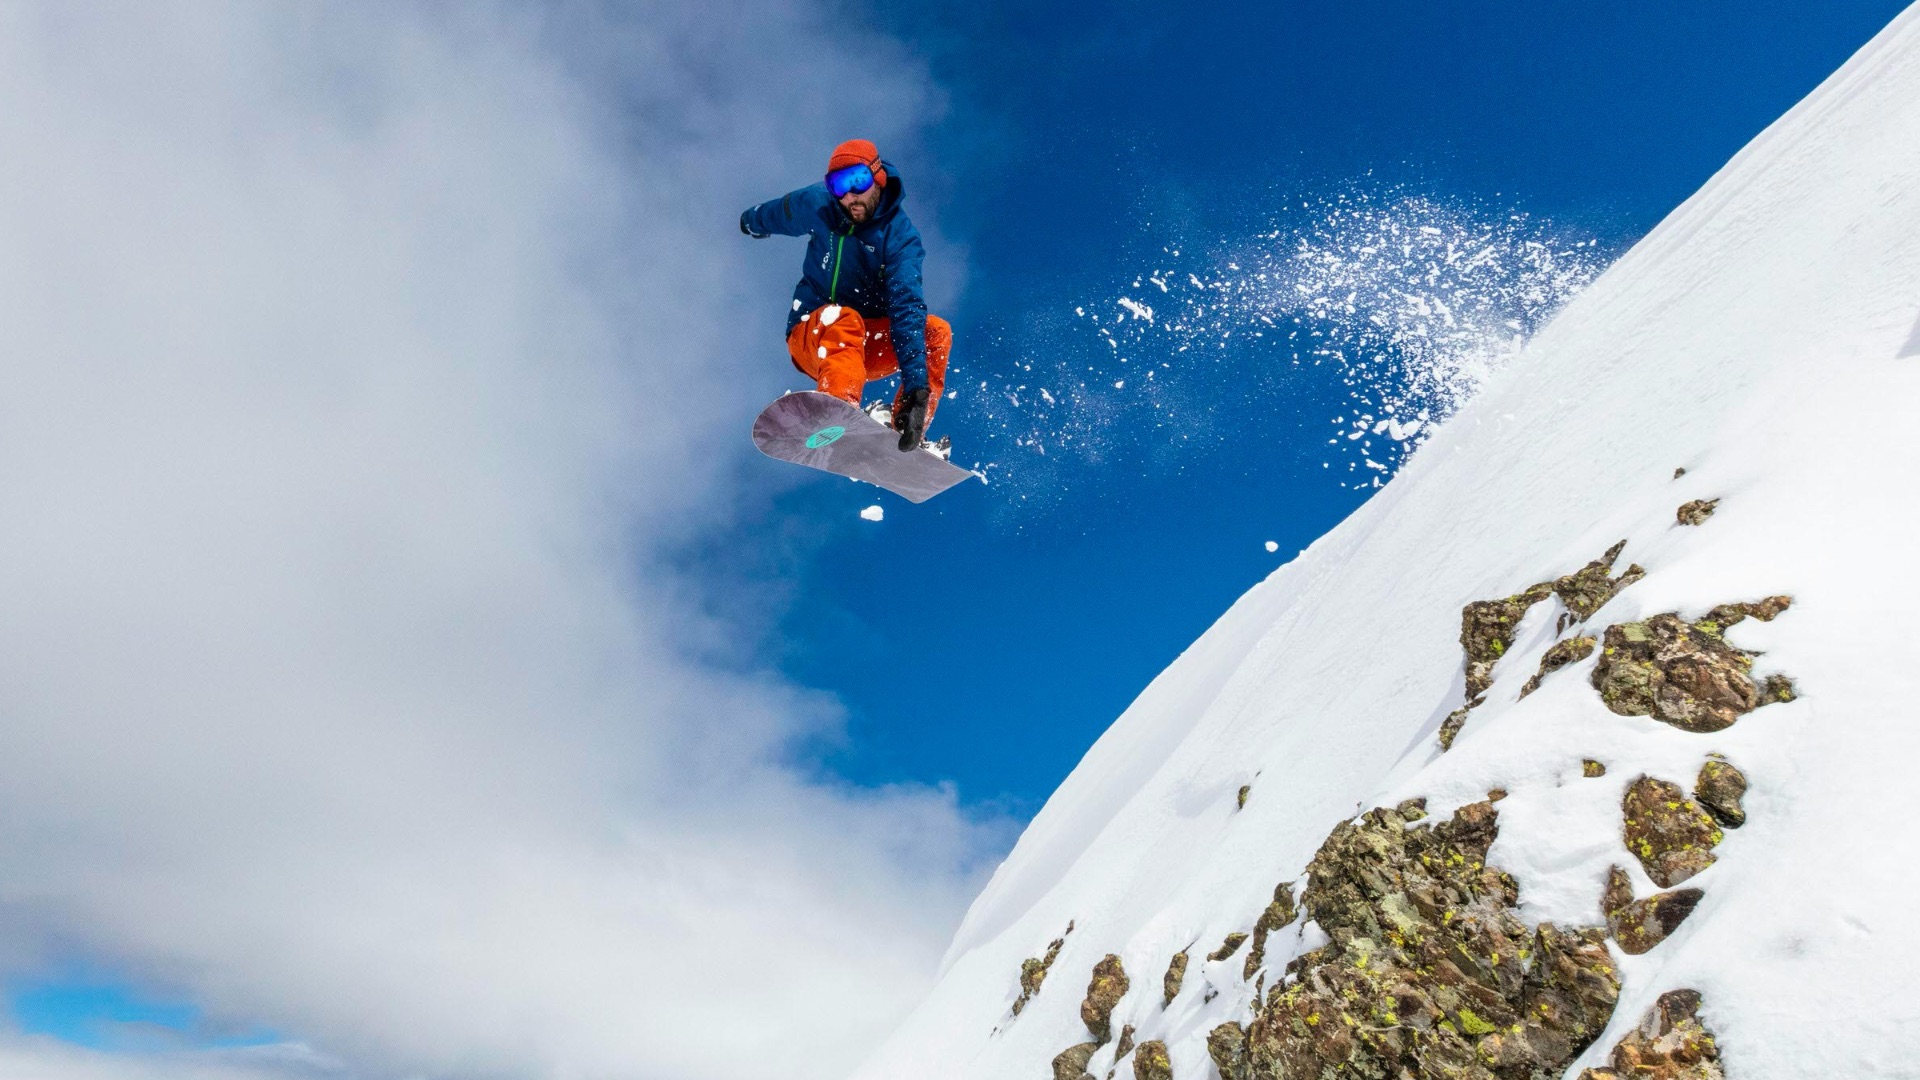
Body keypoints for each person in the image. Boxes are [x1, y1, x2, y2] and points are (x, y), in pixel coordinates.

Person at [740, 139, 951, 452]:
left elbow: (906, 307)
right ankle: (836, 410)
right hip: (813, 335)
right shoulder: (818, 205)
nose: (849, 196)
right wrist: (750, 221)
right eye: (838, 186)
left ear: (877, 177)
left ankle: (906, 428)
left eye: (857, 182)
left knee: (936, 332)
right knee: (843, 318)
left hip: (862, 348)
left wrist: (916, 390)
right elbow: (778, 213)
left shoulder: (901, 239)